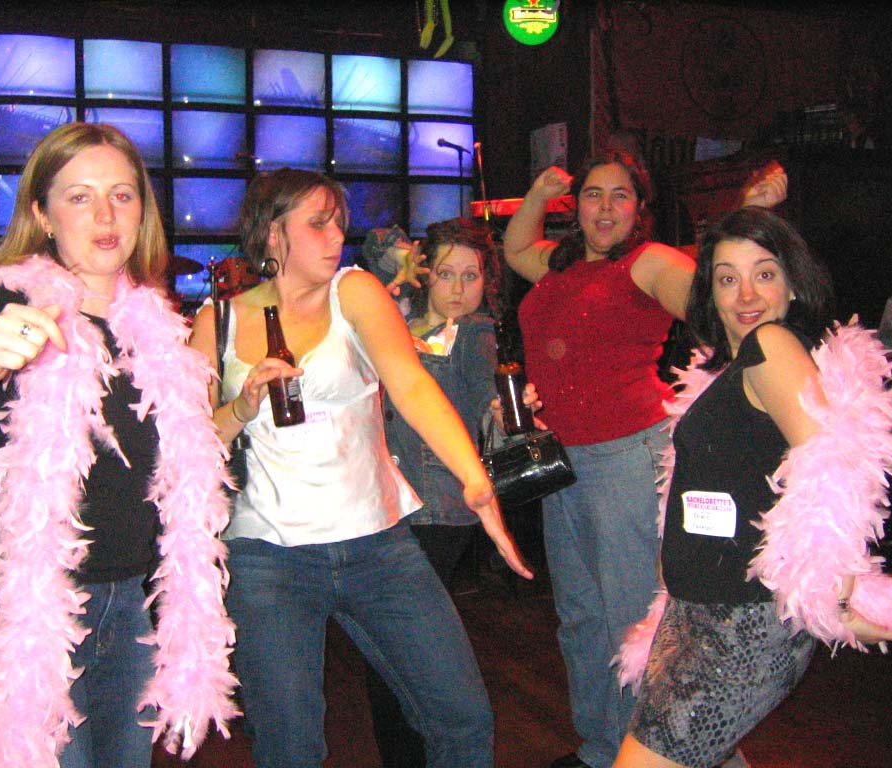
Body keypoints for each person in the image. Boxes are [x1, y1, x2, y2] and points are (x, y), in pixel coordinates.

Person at [0, 122, 237, 768]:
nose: (106, 214)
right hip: (17, 607)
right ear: (42, 215)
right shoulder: (8, 310)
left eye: (122, 195)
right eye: (80, 197)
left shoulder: (157, 331)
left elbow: (181, 478)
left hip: (128, 606)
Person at [189, 168, 532, 768]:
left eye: (338, 224)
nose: (335, 238)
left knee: (462, 720)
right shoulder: (217, 322)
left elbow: (411, 385)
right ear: (272, 234)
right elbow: (191, 445)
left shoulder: (354, 291)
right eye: (317, 224)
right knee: (290, 748)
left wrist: (476, 481)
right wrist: (242, 406)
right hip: (267, 556)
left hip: (377, 542)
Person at [502, 148, 786, 768]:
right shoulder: (563, 263)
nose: (605, 208)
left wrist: (748, 220)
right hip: (559, 464)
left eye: (620, 195)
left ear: (639, 208)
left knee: (634, 623)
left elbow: (718, 305)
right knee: (581, 618)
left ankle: (668, 754)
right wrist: (538, 194)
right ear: (576, 206)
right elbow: (515, 248)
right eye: (593, 194)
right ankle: (603, 747)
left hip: (626, 457)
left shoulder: (649, 262)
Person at [611, 206, 892, 768]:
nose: (746, 294)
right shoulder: (731, 367)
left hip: (739, 629)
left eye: (764, 274)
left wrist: (842, 597)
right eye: (727, 279)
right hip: (697, 616)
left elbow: (834, 464)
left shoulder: (772, 345)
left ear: (792, 284)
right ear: (710, 294)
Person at [363, 216, 538, 767]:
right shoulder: (394, 315)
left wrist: (506, 412)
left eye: (472, 275)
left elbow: (488, 398)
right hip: (380, 502)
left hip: (437, 510)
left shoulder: (477, 335)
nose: (459, 289)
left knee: (405, 650)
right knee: (385, 647)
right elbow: (375, 244)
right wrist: (404, 261)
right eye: (445, 273)